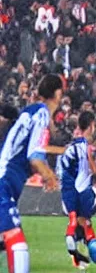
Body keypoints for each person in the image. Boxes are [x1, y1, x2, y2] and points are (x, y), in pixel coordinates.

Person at [0, 74, 62, 273]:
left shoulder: (31, 112)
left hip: (5, 178)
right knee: (17, 244)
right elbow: (34, 156)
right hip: (4, 181)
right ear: (58, 93)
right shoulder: (42, 114)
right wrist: (49, 175)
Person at [60, 111, 96, 269]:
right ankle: (91, 240)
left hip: (69, 189)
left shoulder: (70, 147)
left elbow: (63, 169)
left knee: (74, 219)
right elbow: (94, 169)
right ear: (91, 126)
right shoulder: (87, 146)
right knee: (86, 219)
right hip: (84, 189)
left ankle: (72, 236)